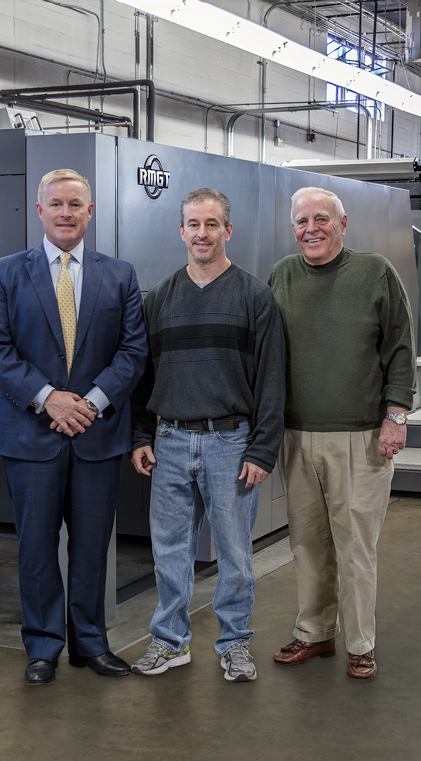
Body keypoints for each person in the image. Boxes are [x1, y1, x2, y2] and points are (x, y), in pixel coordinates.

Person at [0, 168, 148, 686]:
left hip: (95, 433)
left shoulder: (119, 275)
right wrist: (49, 398)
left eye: (76, 204)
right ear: (39, 211)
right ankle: (43, 647)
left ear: (89, 212)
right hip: (30, 434)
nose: (66, 213)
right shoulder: (6, 273)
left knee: (93, 547)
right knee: (36, 548)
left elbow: (133, 350)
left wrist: (89, 404)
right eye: (56, 205)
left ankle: (90, 644)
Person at [129, 188, 285, 683]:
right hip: (170, 441)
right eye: (193, 224)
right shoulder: (160, 299)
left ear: (227, 230)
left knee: (236, 555)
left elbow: (272, 381)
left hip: (231, 444)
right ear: (181, 231)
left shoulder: (255, 296)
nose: (202, 233)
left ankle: (235, 644)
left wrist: (262, 449)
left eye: (211, 224)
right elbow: (141, 377)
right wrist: (140, 436)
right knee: (170, 551)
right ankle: (170, 642)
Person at [267, 186, 415, 680]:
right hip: (296, 434)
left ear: (343, 223)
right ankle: (314, 633)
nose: (311, 228)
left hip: (360, 437)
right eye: (302, 220)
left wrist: (396, 416)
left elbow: (399, 348)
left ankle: (360, 642)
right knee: (307, 542)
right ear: (293, 228)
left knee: (355, 544)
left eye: (322, 219)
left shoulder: (375, 272)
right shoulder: (282, 277)